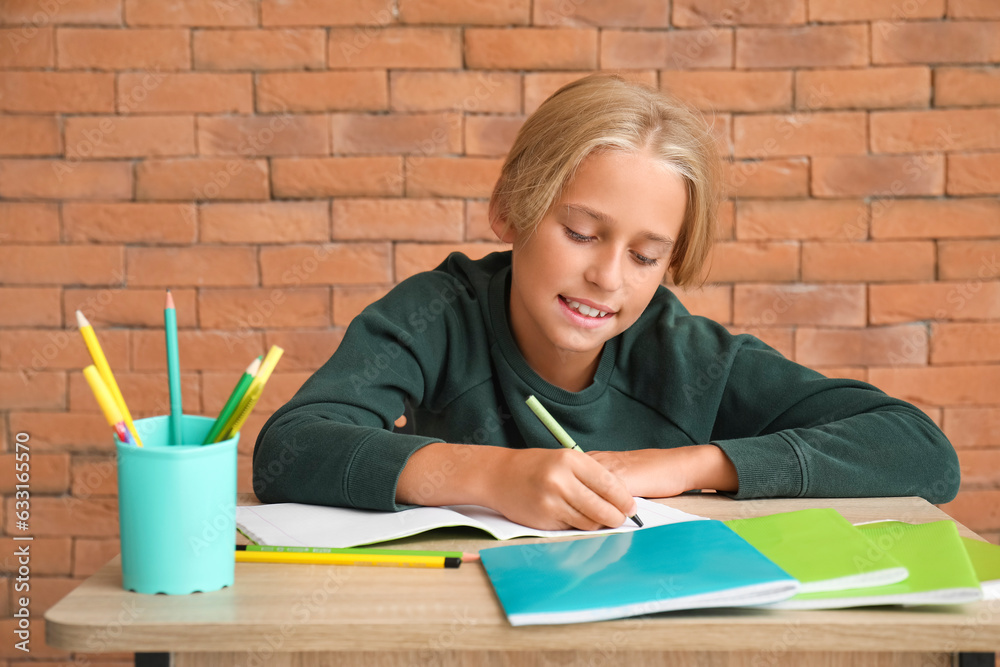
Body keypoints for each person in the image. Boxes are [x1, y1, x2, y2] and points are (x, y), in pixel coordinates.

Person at [253, 74, 959, 531]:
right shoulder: (438, 314)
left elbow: (922, 454)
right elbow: (290, 447)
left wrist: (685, 464)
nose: (608, 276)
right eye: (582, 233)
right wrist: (492, 474)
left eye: (646, 255)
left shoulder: (690, 356)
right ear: (511, 210)